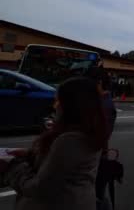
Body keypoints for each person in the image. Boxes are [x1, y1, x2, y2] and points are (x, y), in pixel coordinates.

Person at [0, 77, 109, 210]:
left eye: (58, 101)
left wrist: (11, 167)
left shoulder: (70, 140)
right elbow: (64, 166)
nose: (55, 106)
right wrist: (31, 154)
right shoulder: (90, 132)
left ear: (72, 106)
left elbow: (40, 188)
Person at [86, 67, 117, 210]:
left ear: (98, 83)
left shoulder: (105, 106)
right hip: (95, 160)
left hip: (95, 162)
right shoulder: (100, 102)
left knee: (95, 199)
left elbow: (99, 136)